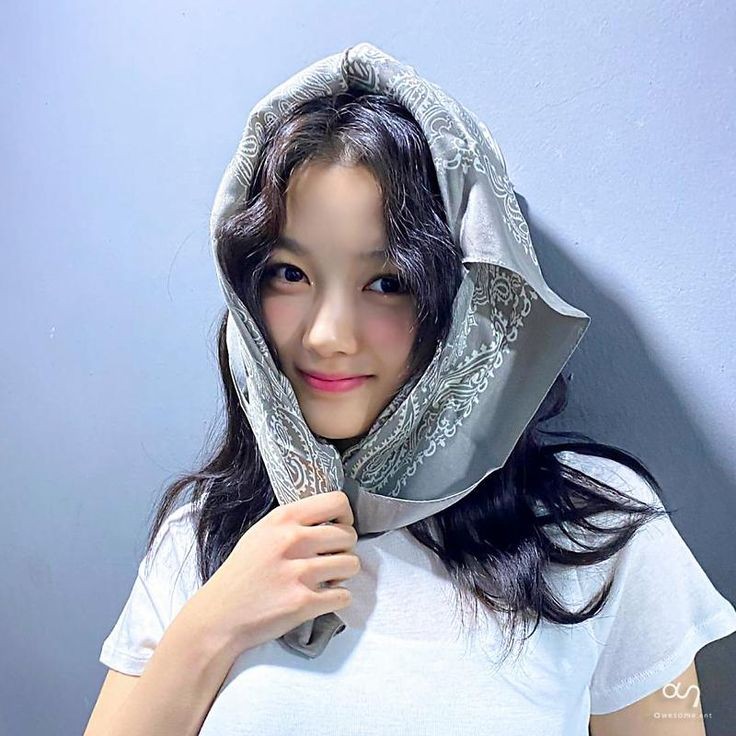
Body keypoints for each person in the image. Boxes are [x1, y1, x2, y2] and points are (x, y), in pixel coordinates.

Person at [84, 43, 736, 735]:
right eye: (289, 274)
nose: (328, 335)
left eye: (387, 282)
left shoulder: (595, 530)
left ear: (461, 300)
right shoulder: (206, 534)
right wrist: (212, 627)